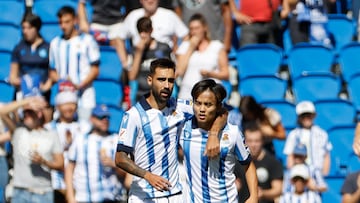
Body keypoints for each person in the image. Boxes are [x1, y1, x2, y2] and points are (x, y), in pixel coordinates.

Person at [114, 58, 224, 202]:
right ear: (149, 80)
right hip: (144, 196)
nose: (166, 85)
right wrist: (148, 175)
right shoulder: (133, 115)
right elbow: (120, 158)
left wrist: (214, 135)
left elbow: (221, 111)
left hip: (174, 194)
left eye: (170, 80)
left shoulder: (180, 107)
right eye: (161, 80)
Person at [179, 79, 258, 203]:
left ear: (218, 106)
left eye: (208, 104)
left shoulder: (232, 133)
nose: (202, 109)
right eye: (198, 103)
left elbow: (248, 164)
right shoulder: (183, 128)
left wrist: (253, 196)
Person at [0, 96, 64, 203]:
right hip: (20, 192)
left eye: (29, 112)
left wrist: (44, 162)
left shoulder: (51, 135)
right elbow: (2, 112)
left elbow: (60, 164)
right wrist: (26, 101)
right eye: (24, 113)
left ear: (39, 114)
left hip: (43, 193)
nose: (25, 115)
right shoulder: (18, 131)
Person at [65, 104, 127, 203]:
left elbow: (126, 174)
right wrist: (70, 197)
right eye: (101, 117)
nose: (105, 120)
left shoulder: (116, 140)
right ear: (92, 119)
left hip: (110, 198)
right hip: (84, 197)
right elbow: (69, 168)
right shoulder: (80, 140)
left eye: (107, 117)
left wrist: (114, 164)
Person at [48, 6, 100, 121]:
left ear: (75, 20)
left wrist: (78, 85)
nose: (63, 26)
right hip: (63, 98)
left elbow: (95, 70)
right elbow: (52, 71)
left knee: (83, 130)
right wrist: (62, 82)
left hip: (84, 98)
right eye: (60, 22)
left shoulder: (87, 41)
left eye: (67, 22)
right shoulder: (55, 43)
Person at [44, 89, 90, 203]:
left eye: (72, 104)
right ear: (58, 107)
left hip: (79, 183)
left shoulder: (85, 127)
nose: (69, 108)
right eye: (65, 104)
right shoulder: (48, 128)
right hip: (55, 182)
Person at [176, 13, 229, 100]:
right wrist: (191, 48)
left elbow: (226, 74)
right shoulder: (185, 46)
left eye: (197, 28)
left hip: (210, 94)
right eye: (191, 29)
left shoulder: (217, 46)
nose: (194, 32)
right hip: (187, 94)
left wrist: (210, 74)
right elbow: (180, 71)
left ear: (204, 28)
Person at [128, 16, 172, 102]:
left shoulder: (163, 48)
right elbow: (132, 76)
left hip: (160, 95)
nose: (143, 35)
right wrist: (139, 53)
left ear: (151, 30)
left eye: (145, 31)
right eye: (140, 31)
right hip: (141, 95)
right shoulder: (135, 50)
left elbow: (170, 72)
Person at [9, 14, 51, 102]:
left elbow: (53, 74)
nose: (25, 31)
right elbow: (12, 76)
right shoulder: (18, 48)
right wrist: (26, 83)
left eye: (29, 28)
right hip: (23, 94)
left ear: (36, 28)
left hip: (42, 94)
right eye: (23, 28)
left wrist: (45, 86)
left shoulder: (48, 48)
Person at [283, 100, 332, 175]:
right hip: (299, 176)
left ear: (314, 115)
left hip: (318, 174)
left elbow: (326, 156)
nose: (306, 118)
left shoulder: (322, 134)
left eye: (308, 115)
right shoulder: (293, 135)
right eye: (303, 116)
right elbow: (290, 157)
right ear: (299, 117)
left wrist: (324, 175)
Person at [119, 0, 189, 51]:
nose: (150, 1)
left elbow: (186, 36)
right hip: (140, 62)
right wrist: (126, 62)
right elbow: (119, 37)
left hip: (164, 62)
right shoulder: (132, 16)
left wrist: (179, 53)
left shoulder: (169, 15)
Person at [77, 0, 128, 68]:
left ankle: (126, 70)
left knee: (120, 42)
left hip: (117, 23)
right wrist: (83, 22)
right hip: (97, 23)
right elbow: (81, 3)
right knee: (86, 41)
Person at [243, 122, 283, 203]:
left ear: (262, 141)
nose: (253, 145)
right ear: (244, 142)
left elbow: (278, 189)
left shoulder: (273, 162)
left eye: (257, 141)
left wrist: (263, 194)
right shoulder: (238, 162)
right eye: (250, 141)